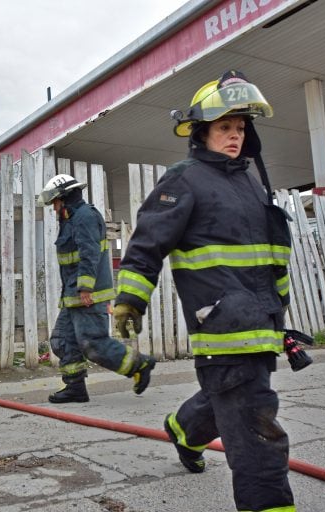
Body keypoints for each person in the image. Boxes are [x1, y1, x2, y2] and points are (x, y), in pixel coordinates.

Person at [113, 70, 296, 511]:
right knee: (257, 430)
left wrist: (281, 318)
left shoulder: (251, 183)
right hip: (222, 327)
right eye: (224, 128)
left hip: (262, 323)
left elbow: (270, 260)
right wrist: (129, 299)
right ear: (202, 132)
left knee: (229, 400)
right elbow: (147, 243)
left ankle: (182, 428)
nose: (235, 136)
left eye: (240, 128)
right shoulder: (184, 180)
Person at [39, 174, 157, 403]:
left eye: (54, 202)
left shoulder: (84, 217)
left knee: (94, 344)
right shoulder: (71, 219)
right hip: (73, 296)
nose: (53, 208)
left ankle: (139, 365)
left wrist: (85, 288)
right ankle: (75, 388)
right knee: (62, 341)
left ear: (63, 197)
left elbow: (89, 253)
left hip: (87, 295)